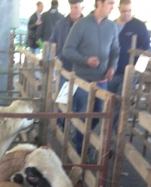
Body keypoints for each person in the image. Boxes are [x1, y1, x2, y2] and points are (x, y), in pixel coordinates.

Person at [62, 0, 119, 155]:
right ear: (99, 3)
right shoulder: (81, 25)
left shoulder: (112, 26)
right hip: (82, 80)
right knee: (83, 114)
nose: (113, 6)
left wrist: (113, 66)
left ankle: (80, 139)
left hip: (102, 81)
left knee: (98, 114)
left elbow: (115, 49)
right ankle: (81, 150)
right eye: (110, 3)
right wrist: (85, 60)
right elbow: (67, 50)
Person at [107, 0, 150, 96]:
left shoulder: (139, 26)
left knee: (121, 101)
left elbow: (146, 50)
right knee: (109, 100)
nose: (127, 13)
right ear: (119, 9)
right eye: (124, 11)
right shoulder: (111, 25)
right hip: (111, 70)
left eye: (129, 10)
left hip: (129, 72)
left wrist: (137, 71)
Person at [49, 0, 83, 72]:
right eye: (71, 8)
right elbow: (52, 42)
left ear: (82, 8)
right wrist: (55, 57)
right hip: (63, 67)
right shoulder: (60, 24)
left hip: (80, 70)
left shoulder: (87, 26)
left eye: (76, 7)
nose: (73, 10)